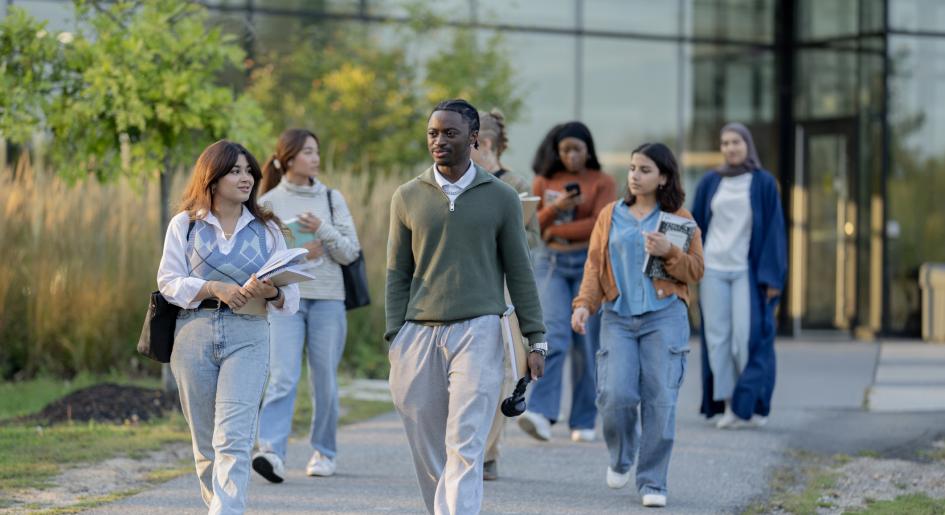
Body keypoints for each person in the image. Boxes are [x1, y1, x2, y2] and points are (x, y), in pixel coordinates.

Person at [386, 98, 547, 514]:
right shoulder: (407, 197)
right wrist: (394, 335)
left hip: (479, 330)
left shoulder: (502, 198)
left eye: (450, 133)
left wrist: (536, 339)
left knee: (466, 440)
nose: (439, 141)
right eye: (433, 133)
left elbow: (520, 272)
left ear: (474, 139)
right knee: (426, 444)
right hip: (418, 333)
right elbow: (397, 274)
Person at [157, 140, 300, 514]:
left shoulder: (268, 229)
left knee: (233, 438)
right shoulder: (185, 225)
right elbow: (168, 282)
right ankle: (218, 507)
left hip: (249, 335)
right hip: (192, 333)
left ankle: (227, 510)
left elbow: (292, 299)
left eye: (249, 170)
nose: (246, 178)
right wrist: (212, 287)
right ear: (212, 176)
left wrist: (272, 292)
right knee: (205, 444)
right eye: (235, 170)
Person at [571, 142, 703, 508]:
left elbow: (696, 270)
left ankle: (653, 481)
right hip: (617, 317)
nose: (635, 176)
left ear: (663, 177)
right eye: (632, 168)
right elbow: (595, 267)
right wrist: (584, 305)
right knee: (615, 395)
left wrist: (670, 252)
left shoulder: (680, 218)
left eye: (645, 170)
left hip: (664, 317)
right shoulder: (610, 215)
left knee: (660, 400)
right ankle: (622, 456)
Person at [251, 129, 362, 482]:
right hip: (286, 302)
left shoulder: (331, 198)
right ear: (288, 158)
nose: (315, 158)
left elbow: (350, 252)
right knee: (283, 377)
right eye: (308, 152)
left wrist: (323, 232)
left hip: (329, 300)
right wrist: (297, 256)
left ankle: (324, 453)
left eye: (317, 151)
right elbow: (260, 260)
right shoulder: (268, 201)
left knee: (325, 380)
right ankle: (271, 453)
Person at [519, 121, 616, 443]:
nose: (571, 156)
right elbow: (531, 224)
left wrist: (554, 228)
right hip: (552, 263)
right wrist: (556, 209)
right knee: (554, 335)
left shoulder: (601, 182)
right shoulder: (544, 180)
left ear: (588, 150)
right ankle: (542, 413)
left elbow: (599, 224)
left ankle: (584, 419)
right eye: (565, 151)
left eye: (577, 149)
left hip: (588, 264)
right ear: (557, 152)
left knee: (586, 343)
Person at [692, 122, 787, 429]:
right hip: (714, 269)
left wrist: (773, 278)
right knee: (717, 339)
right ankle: (730, 405)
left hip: (746, 270)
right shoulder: (710, 182)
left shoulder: (763, 182)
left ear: (748, 145)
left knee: (745, 338)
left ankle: (752, 402)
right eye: (725, 143)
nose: (731, 147)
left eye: (736, 142)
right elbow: (694, 226)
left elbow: (775, 231)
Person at [470, 108, 539, 482]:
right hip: (472, 285)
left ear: (485, 143)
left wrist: (507, 237)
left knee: (503, 371)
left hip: (507, 290)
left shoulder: (515, 183)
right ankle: (468, 445)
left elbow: (533, 239)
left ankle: (488, 452)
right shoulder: (460, 182)